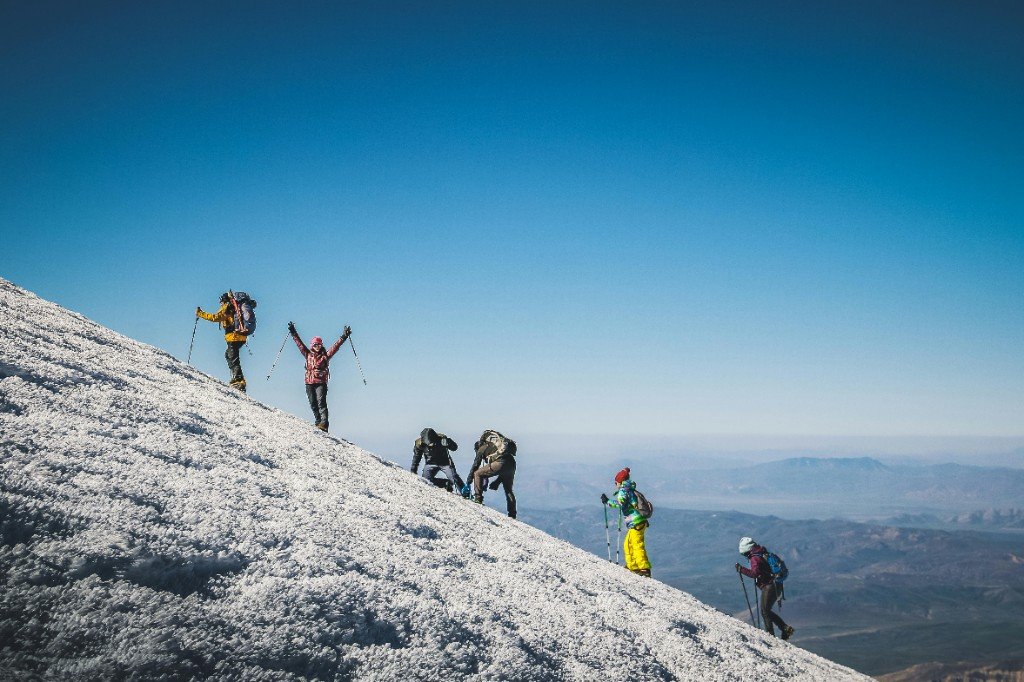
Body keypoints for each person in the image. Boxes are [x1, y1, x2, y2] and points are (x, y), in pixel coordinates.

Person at [288, 321, 350, 431]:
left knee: (321, 402)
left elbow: (335, 347)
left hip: (321, 382)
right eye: (315, 344)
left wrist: (344, 336)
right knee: (313, 403)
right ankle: (318, 421)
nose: (317, 346)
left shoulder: (325, 355)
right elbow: (300, 344)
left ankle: (324, 424)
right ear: (312, 345)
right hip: (309, 382)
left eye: (319, 344)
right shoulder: (308, 354)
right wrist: (293, 332)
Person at [736, 536, 794, 640]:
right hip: (777, 584)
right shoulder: (761, 552)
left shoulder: (755, 558)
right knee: (766, 610)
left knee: (765, 611)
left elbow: (754, 573)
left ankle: (771, 635)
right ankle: (784, 628)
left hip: (770, 586)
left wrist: (741, 569)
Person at [601, 467, 651, 577]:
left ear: (620, 481)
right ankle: (632, 566)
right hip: (638, 522)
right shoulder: (630, 489)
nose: (615, 484)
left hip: (636, 522)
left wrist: (607, 501)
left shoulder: (624, 490)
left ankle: (643, 568)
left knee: (636, 545)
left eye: (616, 482)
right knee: (628, 544)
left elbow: (620, 503)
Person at [196, 293, 249, 392]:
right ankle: (236, 378)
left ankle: (239, 380)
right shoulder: (235, 307)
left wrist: (200, 313)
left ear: (224, 301)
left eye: (221, 301)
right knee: (228, 355)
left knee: (233, 358)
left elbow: (215, 317)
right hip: (241, 336)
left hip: (233, 336)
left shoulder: (227, 307)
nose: (220, 303)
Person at [467, 430, 517, 518]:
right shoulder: (495, 447)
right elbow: (504, 470)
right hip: (512, 463)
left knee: (477, 474)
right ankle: (512, 514)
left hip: (501, 463)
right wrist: (497, 482)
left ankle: (478, 499)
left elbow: (475, 466)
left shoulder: (481, 449)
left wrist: (468, 481)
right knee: (508, 490)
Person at [411, 428, 466, 494]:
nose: (430, 445)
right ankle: (445, 483)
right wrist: (413, 470)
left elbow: (455, 448)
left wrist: (449, 443)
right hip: (430, 463)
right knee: (425, 481)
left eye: (432, 443)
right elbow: (417, 457)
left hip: (445, 463)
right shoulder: (419, 444)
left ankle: (465, 493)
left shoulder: (442, 439)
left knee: (454, 478)